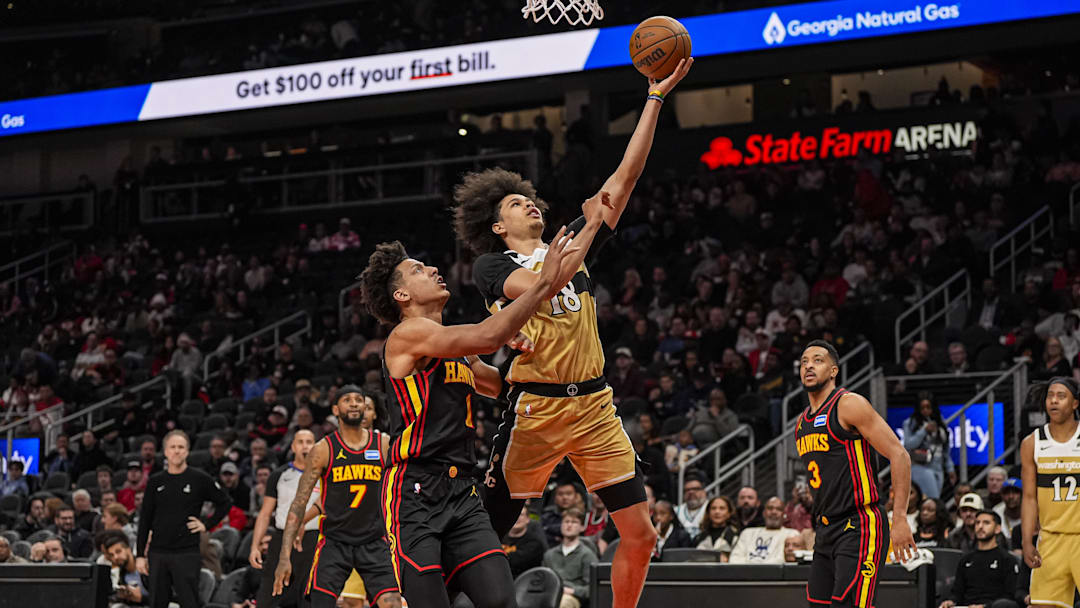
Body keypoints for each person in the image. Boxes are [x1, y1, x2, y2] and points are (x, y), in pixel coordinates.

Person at [456, 58, 693, 608]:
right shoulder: (491, 267)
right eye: (517, 203)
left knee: (641, 534)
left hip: (594, 406)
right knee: (483, 540)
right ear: (497, 226)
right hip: (533, 412)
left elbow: (625, 178)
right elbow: (538, 286)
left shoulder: (569, 245)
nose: (530, 203)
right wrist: (582, 235)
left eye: (532, 199)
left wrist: (655, 96)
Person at [356, 230, 578, 607]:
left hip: (462, 491)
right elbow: (488, 335)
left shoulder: (454, 346)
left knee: (501, 600)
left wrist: (535, 356)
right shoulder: (407, 335)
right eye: (418, 270)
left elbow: (498, 386)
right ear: (402, 296)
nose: (433, 269)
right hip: (414, 491)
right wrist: (543, 284)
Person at [794, 340, 916, 607]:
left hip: (860, 524)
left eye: (817, 360)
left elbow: (900, 455)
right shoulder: (802, 423)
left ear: (834, 370)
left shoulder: (848, 404)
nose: (809, 366)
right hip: (825, 530)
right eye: (804, 362)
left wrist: (900, 519)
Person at [274, 389, 400, 608]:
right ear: (335, 410)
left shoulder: (383, 445)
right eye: (347, 400)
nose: (353, 404)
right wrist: (284, 556)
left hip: (374, 540)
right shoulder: (323, 450)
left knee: (392, 604)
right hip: (335, 542)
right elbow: (299, 503)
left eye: (359, 400)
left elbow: (400, 489)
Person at [136, 430, 231, 608]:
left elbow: (225, 502)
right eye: (172, 447)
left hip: (187, 552)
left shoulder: (199, 478)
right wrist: (140, 555)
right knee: (157, 602)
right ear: (165, 451)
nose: (177, 451)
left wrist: (206, 524)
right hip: (158, 552)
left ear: (187, 451)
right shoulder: (155, 481)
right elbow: (145, 519)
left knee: (189, 602)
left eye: (181, 447)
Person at [1021, 377, 1080, 608]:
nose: (1054, 401)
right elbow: (1028, 497)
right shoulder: (1032, 442)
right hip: (1051, 540)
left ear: (1075, 403)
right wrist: (1027, 540)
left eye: (1061, 396)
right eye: (1050, 396)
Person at [250, 429, 320, 608]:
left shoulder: (324, 474)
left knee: (309, 596)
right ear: (293, 446)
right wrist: (255, 546)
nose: (305, 445)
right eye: (301, 442)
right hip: (282, 538)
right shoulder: (279, 475)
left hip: (313, 539)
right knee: (268, 594)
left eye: (309, 441)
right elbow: (265, 513)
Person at [939, 510, 1020, 608]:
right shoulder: (966, 559)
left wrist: (985, 606)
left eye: (986, 523)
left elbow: (1010, 596)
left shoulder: (1007, 559)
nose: (980, 526)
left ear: (997, 529)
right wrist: (950, 601)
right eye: (977, 523)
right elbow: (957, 592)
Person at [903, 393, 956, 499]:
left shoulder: (940, 422)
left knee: (933, 499)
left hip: (938, 467)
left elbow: (945, 450)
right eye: (922, 408)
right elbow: (908, 445)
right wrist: (924, 431)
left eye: (928, 407)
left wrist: (950, 468)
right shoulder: (910, 423)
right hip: (921, 466)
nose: (925, 410)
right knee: (933, 499)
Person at [541, 508, 597, 608]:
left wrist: (573, 591)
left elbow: (593, 588)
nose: (569, 525)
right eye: (566, 521)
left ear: (582, 527)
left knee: (562, 603)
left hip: (572, 596)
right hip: (551, 593)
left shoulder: (587, 555)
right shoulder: (549, 554)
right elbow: (543, 580)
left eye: (574, 522)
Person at [728, 497, 800, 564]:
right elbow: (734, 559)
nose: (774, 512)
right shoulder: (747, 533)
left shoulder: (792, 534)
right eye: (770, 508)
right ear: (764, 513)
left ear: (784, 514)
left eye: (779, 509)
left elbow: (782, 560)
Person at [104, 533, 152, 607]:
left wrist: (142, 598)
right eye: (112, 555)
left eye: (118, 551)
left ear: (128, 549)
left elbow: (167, 597)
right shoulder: (122, 574)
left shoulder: (147, 567)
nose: (115, 557)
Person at [502, 505, 548, 578]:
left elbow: (515, 562)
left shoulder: (534, 543)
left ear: (528, 519)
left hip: (522, 583)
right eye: (513, 513)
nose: (517, 517)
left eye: (521, 514)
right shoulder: (499, 537)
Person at [674, 473, 708, 538]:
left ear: (704, 491)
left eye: (695, 489)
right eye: (687, 490)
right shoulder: (676, 511)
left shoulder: (712, 508)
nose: (691, 492)